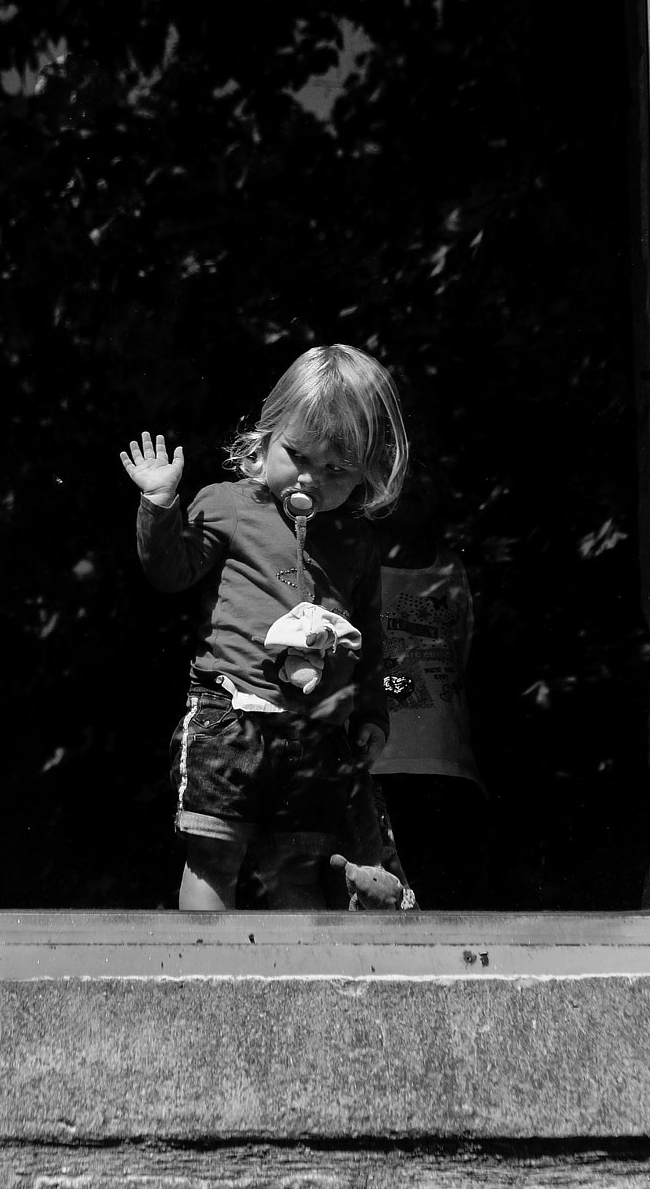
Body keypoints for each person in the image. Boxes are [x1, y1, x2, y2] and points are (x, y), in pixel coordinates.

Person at [121, 345, 410, 909]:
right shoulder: (231, 503)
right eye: (297, 455)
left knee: (300, 866)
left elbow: (367, 638)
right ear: (265, 438)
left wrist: (372, 711)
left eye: (335, 470)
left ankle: (292, 989)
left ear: (364, 475)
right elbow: (171, 572)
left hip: (312, 727)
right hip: (229, 713)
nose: (309, 478)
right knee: (212, 858)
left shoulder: (353, 542)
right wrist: (160, 506)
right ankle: (205, 984)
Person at [371, 464, 491, 907]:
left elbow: (462, 659)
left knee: (450, 898)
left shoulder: (453, 572)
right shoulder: (362, 571)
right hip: (383, 763)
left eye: (426, 478)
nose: (414, 489)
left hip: (449, 764)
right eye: (403, 480)